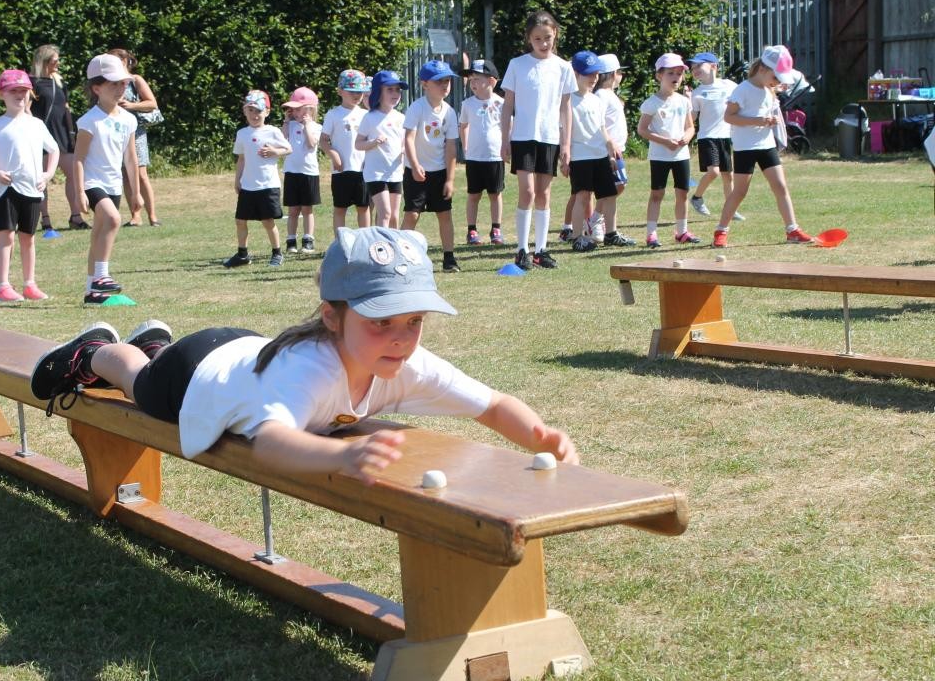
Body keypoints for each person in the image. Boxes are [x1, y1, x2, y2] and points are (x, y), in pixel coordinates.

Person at [29, 226, 578, 479]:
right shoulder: (311, 369)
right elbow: (271, 443)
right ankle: (98, 351)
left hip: (242, 354)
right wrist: (340, 456)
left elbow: (490, 404)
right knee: (139, 383)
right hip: (196, 376)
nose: (400, 337)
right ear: (332, 316)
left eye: (414, 322)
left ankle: (153, 342)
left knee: (153, 365)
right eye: (381, 321)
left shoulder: (403, 363)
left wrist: (539, 435)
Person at [0, 69, 59, 300]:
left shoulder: (37, 124)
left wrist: (48, 174)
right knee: (6, 236)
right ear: (1, 95)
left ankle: (30, 283)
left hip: (32, 188)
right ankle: (3, 285)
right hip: (7, 189)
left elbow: (54, 149)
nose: (19, 95)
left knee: (28, 237)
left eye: (23, 91)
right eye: (13, 91)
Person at [712, 46, 813, 248]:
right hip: (745, 148)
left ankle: (792, 229)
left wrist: (771, 120)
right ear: (763, 69)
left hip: (766, 145)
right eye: (776, 77)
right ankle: (720, 231)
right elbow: (728, 117)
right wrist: (758, 120)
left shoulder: (769, 90)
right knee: (739, 192)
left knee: (780, 186)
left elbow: (767, 104)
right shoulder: (742, 90)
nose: (777, 82)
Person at [500, 10, 574, 270]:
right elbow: (507, 105)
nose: (543, 43)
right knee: (527, 191)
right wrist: (504, 139)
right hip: (522, 136)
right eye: (537, 39)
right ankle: (522, 249)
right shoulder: (517, 65)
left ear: (555, 36)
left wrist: (566, 144)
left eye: (548, 38)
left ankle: (542, 249)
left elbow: (566, 107)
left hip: (550, 136)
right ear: (528, 39)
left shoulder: (564, 68)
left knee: (544, 193)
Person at [75, 54, 141, 305]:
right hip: (93, 182)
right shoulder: (89, 121)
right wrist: (80, 191)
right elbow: (78, 159)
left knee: (100, 233)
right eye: (114, 84)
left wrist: (135, 193)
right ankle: (102, 276)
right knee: (113, 219)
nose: (120, 89)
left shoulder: (128, 119)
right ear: (96, 88)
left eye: (123, 83)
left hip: (113, 184)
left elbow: (131, 159)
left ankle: (93, 291)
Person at [402, 60, 460, 272]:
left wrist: (450, 179)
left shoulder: (450, 112)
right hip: (416, 171)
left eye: (447, 81)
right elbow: (408, 139)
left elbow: (451, 146)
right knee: (412, 214)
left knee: (444, 215)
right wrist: (415, 165)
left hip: (439, 172)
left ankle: (449, 258)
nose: (445, 85)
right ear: (425, 84)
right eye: (439, 82)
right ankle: (401, 255)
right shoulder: (416, 108)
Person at [637, 53, 698, 248]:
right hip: (659, 156)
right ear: (659, 76)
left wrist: (686, 138)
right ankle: (651, 234)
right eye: (671, 73)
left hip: (681, 155)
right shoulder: (651, 103)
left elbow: (690, 127)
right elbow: (642, 130)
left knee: (683, 193)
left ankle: (681, 232)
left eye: (679, 74)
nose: (676, 77)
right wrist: (665, 141)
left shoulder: (683, 101)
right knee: (657, 194)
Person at [225, 90, 289, 268]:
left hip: (268, 184)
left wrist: (275, 152)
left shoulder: (272, 131)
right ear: (245, 112)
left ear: (267, 112)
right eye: (250, 110)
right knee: (240, 220)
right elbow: (242, 158)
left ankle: (277, 253)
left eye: (258, 111)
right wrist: (237, 180)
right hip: (248, 185)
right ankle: (242, 254)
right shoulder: (242, 133)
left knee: (267, 221)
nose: (255, 115)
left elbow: (288, 148)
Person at [564, 51, 620, 254]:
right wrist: (565, 156)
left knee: (609, 195)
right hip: (580, 156)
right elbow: (565, 130)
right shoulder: (568, 101)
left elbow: (602, 127)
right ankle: (578, 237)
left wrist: (610, 150)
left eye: (596, 74)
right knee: (583, 196)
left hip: (600, 156)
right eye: (588, 74)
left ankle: (611, 234)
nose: (593, 78)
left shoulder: (596, 100)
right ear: (575, 74)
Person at [29, 44, 80, 236]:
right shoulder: (32, 82)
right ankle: (45, 219)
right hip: (42, 135)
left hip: (63, 134)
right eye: (54, 60)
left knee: (73, 174)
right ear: (44, 61)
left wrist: (72, 133)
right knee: (42, 177)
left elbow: (65, 108)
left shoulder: (58, 81)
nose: (58, 63)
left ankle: (76, 216)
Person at [687, 52, 743, 222]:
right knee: (714, 172)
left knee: (728, 176)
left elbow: (741, 102)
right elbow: (692, 118)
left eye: (698, 66)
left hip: (725, 137)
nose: (694, 70)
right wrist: (687, 101)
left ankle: (731, 210)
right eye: (692, 68)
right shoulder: (696, 93)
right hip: (707, 137)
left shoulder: (729, 85)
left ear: (713, 66)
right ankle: (697, 198)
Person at [110, 49, 160, 228]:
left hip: (136, 132)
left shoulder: (136, 80)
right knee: (125, 174)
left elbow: (152, 103)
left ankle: (153, 216)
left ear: (125, 61)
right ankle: (135, 215)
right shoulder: (110, 83)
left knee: (141, 174)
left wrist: (131, 105)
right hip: (117, 131)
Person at [459, 59, 505, 246]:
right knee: (473, 194)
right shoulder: (467, 104)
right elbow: (463, 126)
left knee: (495, 194)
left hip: (495, 156)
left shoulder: (501, 103)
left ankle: (496, 229)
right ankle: (472, 230)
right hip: (474, 158)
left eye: (478, 79)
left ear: (492, 81)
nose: (474, 83)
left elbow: (507, 127)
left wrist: (506, 147)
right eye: (472, 80)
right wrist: (465, 147)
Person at [319, 69, 371, 233]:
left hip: (363, 169)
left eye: (360, 92)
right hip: (341, 170)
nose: (356, 95)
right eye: (351, 91)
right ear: (340, 91)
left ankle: (365, 240)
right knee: (340, 208)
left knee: (363, 207)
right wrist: (333, 155)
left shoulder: (367, 114)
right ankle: (340, 243)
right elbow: (323, 140)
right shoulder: (333, 114)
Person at [592, 53, 636, 247]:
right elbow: (598, 123)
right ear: (611, 74)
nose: (621, 76)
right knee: (615, 187)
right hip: (609, 150)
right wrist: (609, 144)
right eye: (619, 72)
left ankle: (600, 221)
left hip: (616, 150)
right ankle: (600, 222)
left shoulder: (609, 95)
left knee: (615, 187)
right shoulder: (602, 95)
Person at [356, 70, 408, 229]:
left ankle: (394, 248)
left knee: (393, 215)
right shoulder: (370, 117)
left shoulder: (400, 118)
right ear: (379, 92)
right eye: (390, 89)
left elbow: (405, 143)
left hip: (396, 172)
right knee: (384, 213)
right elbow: (358, 144)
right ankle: (381, 248)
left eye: (398, 90)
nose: (395, 93)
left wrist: (405, 151)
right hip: (376, 174)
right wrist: (373, 142)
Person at [281, 86, 322, 254]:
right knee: (293, 210)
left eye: (298, 109)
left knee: (307, 209)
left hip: (309, 173)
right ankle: (291, 239)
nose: (294, 112)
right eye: (292, 109)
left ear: (309, 109)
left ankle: (308, 239)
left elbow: (312, 144)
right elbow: (283, 140)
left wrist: (306, 126)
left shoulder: (317, 127)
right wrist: (286, 121)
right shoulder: (289, 125)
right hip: (291, 172)